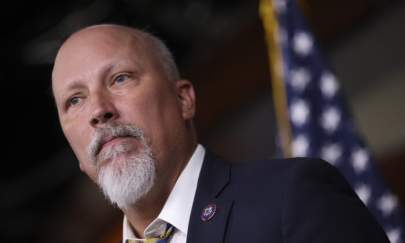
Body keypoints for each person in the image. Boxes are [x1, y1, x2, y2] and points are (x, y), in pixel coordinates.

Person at [51, 24, 390, 243]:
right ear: (78, 156)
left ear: (184, 100)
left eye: (120, 78)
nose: (99, 110)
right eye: (74, 100)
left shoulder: (292, 197)